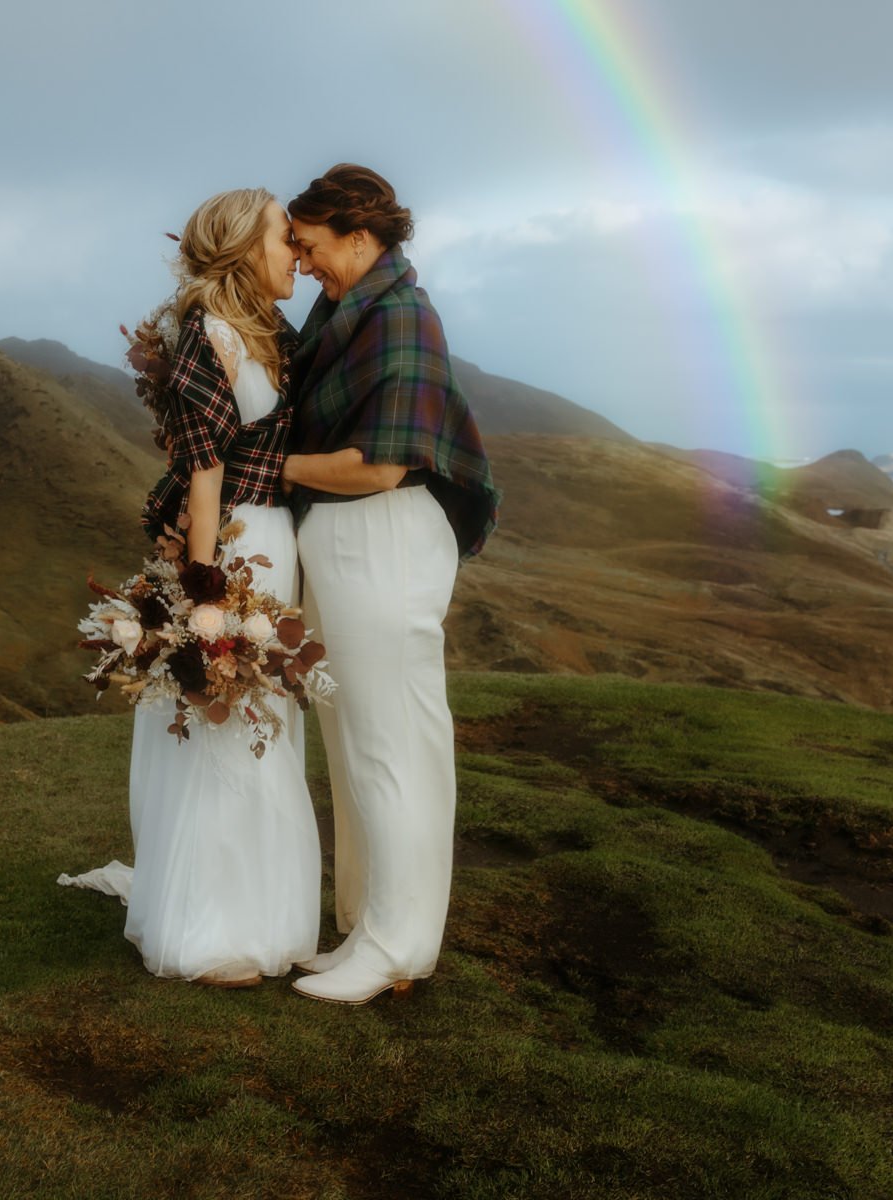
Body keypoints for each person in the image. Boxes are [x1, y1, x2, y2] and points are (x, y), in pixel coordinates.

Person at [59, 188, 320, 987]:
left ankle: (268, 912)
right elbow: (204, 475)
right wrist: (206, 594)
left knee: (265, 723)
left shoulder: (274, 329)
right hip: (235, 542)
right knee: (219, 724)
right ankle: (209, 929)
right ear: (245, 245)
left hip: (279, 540)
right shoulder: (205, 335)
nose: (298, 253)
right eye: (285, 237)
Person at [281, 164, 501, 1005]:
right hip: (340, 543)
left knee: (393, 748)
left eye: (310, 246)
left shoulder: (402, 316)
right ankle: (366, 927)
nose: (302, 264)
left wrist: (263, 467)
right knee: (352, 744)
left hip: (385, 540)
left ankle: (400, 946)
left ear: (360, 237)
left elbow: (377, 470)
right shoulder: (346, 311)